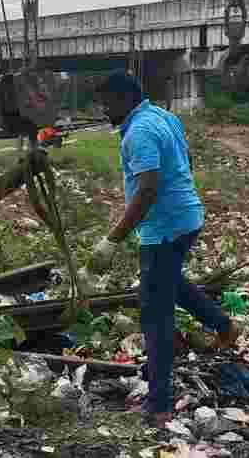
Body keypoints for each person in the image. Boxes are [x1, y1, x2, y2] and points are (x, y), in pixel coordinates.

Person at [91, 72, 238, 428]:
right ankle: (224, 326)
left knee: (155, 315)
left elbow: (147, 190)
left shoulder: (140, 132)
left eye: (106, 103)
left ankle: (158, 404)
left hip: (164, 229)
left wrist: (114, 238)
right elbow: (185, 160)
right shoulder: (162, 116)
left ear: (124, 99)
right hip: (186, 218)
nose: (103, 110)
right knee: (170, 284)